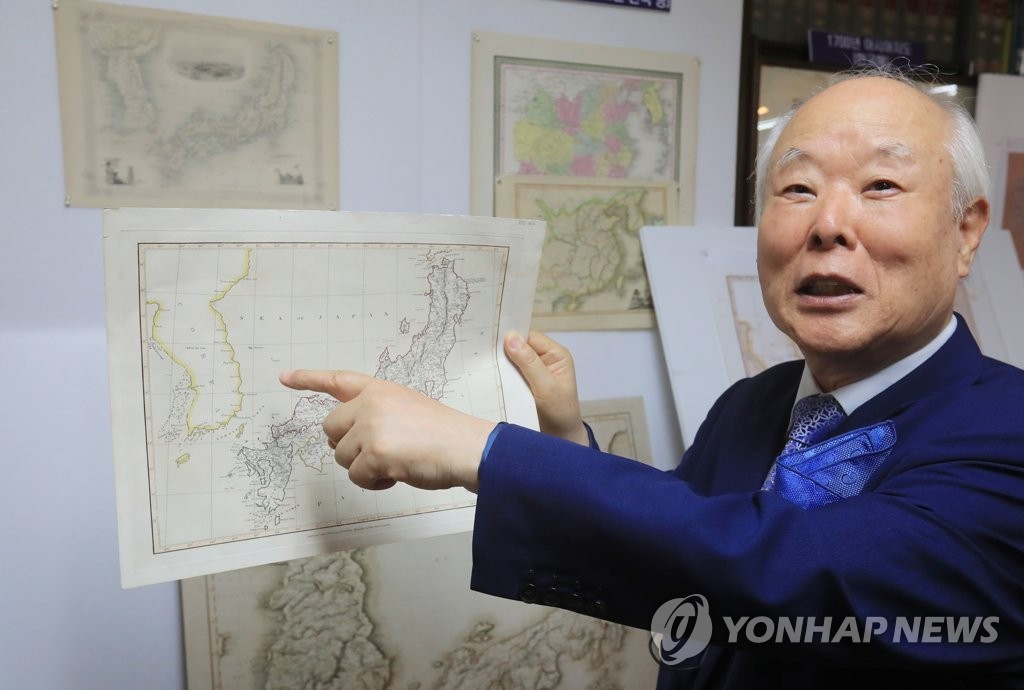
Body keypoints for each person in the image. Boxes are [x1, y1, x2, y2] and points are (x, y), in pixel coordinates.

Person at [280, 68, 1024, 688]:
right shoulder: (754, 404)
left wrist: (486, 451)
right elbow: (682, 553)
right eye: (797, 190)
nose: (828, 223)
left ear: (966, 231)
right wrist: (565, 445)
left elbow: (798, 569)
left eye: (881, 185)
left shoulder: (1008, 430)